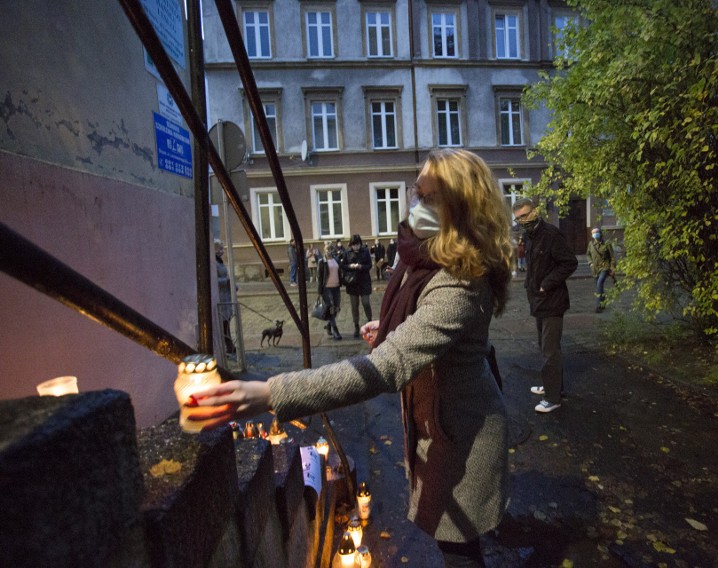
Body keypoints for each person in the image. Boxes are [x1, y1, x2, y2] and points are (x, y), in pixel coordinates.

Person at [187, 148, 514, 567]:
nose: (416, 206)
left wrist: (269, 392)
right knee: (451, 533)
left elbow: (389, 367)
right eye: (417, 194)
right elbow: (425, 331)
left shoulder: (460, 281)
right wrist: (392, 331)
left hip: (464, 435)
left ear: (461, 208)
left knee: (459, 545)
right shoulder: (429, 259)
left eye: (429, 199)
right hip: (443, 422)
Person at [511, 197, 578, 414]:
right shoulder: (529, 237)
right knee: (544, 346)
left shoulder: (550, 234)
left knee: (550, 350)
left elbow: (569, 263)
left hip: (553, 301)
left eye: (525, 215)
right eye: (519, 218)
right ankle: (552, 386)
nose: (523, 220)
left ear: (535, 211)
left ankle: (553, 398)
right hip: (538, 302)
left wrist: (546, 284)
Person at [341, 234, 373, 338]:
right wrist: (350, 266)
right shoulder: (347, 253)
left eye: (358, 244)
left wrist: (361, 266)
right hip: (352, 283)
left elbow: (369, 265)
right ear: (351, 245)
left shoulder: (365, 251)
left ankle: (370, 321)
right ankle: (356, 326)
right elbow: (343, 266)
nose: (356, 247)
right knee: (354, 305)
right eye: (354, 245)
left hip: (364, 281)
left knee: (366, 302)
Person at [214, 239, 236, 354]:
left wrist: (233, 286)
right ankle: (228, 347)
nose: (222, 251)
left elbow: (226, 276)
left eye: (222, 248)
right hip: (221, 298)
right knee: (223, 325)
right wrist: (226, 281)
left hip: (226, 296)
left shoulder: (219, 261)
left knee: (226, 324)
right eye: (220, 248)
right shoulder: (214, 263)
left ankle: (230, 346)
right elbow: (213, 280)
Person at [586, 227, 616, 313]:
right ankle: (603, 302)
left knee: (599, 283)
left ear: (600, 233)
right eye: (593, 233)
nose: (595, 234)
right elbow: (588, 255)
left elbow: (612, 257)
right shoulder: (591, 244)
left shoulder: (606, 244)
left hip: (605, 267)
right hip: (595, 269)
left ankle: (598, 306)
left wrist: (612, 268)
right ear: (592, 235)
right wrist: (590, 263)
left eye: (597, 232)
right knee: (599, 286)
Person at [317, 243, 342, 340]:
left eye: (331, 249)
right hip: (326, 288)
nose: (329, 251)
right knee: (331, 307)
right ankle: (335, 331)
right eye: (327, 249)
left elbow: (340, 271)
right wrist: (319, 291)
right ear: (324, 250)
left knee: (335, 309)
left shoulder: (336, 260)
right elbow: (319, 277)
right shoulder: (321, 261)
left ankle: (329, 325)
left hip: (336, 287)